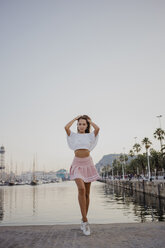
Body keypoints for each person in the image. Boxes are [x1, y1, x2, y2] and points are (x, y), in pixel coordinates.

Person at [64, 115, 101, 236]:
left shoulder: (90, 136)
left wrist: (90, 121)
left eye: (84, 124)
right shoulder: (73, 136)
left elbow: (98, 129)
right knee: (81, 188)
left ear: (87, 125)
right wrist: (75, 118)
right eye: (79, 124)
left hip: (88, 163)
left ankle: (83, 218)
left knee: (87, 193)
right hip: (77, 164)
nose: (81, 126)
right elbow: (66, 127)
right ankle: (85, 221)